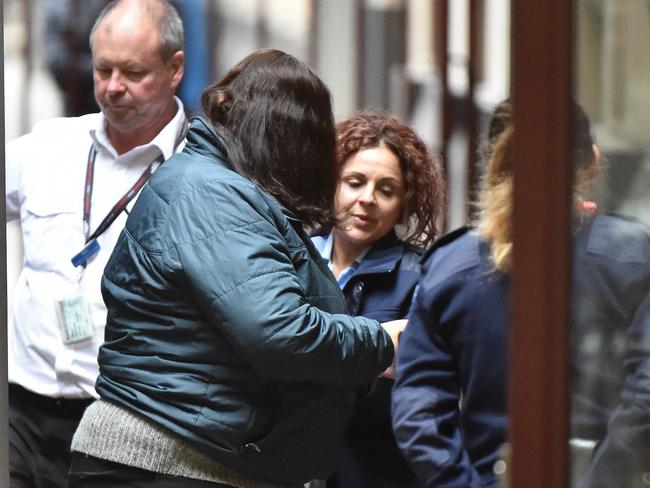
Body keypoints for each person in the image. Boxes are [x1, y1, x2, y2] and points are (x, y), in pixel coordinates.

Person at [67, 48, 403, 488]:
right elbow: (279, 332)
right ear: (286, 136)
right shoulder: (214, 193)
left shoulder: (219, 186)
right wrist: (383, 343)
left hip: (185, 461)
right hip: (166, 463)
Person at [391, 98, 650, 487]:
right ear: (592, 162)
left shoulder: (450, 267)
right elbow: (644, 395)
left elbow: (419, 411)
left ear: (490, 167)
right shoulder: (633, 256)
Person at [5, 1, 186, 486]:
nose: (111, 87)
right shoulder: (49, 146)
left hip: (126, 427)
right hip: (22, 411)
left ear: (175, 69)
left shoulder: (199, 173)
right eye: (102, 68)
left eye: (132, 72)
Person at [310, 112, 446, 488]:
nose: (367, 199)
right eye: (354, 182)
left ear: (404, 203)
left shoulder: (420, 278)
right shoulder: (292, 258)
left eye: (386, 190)